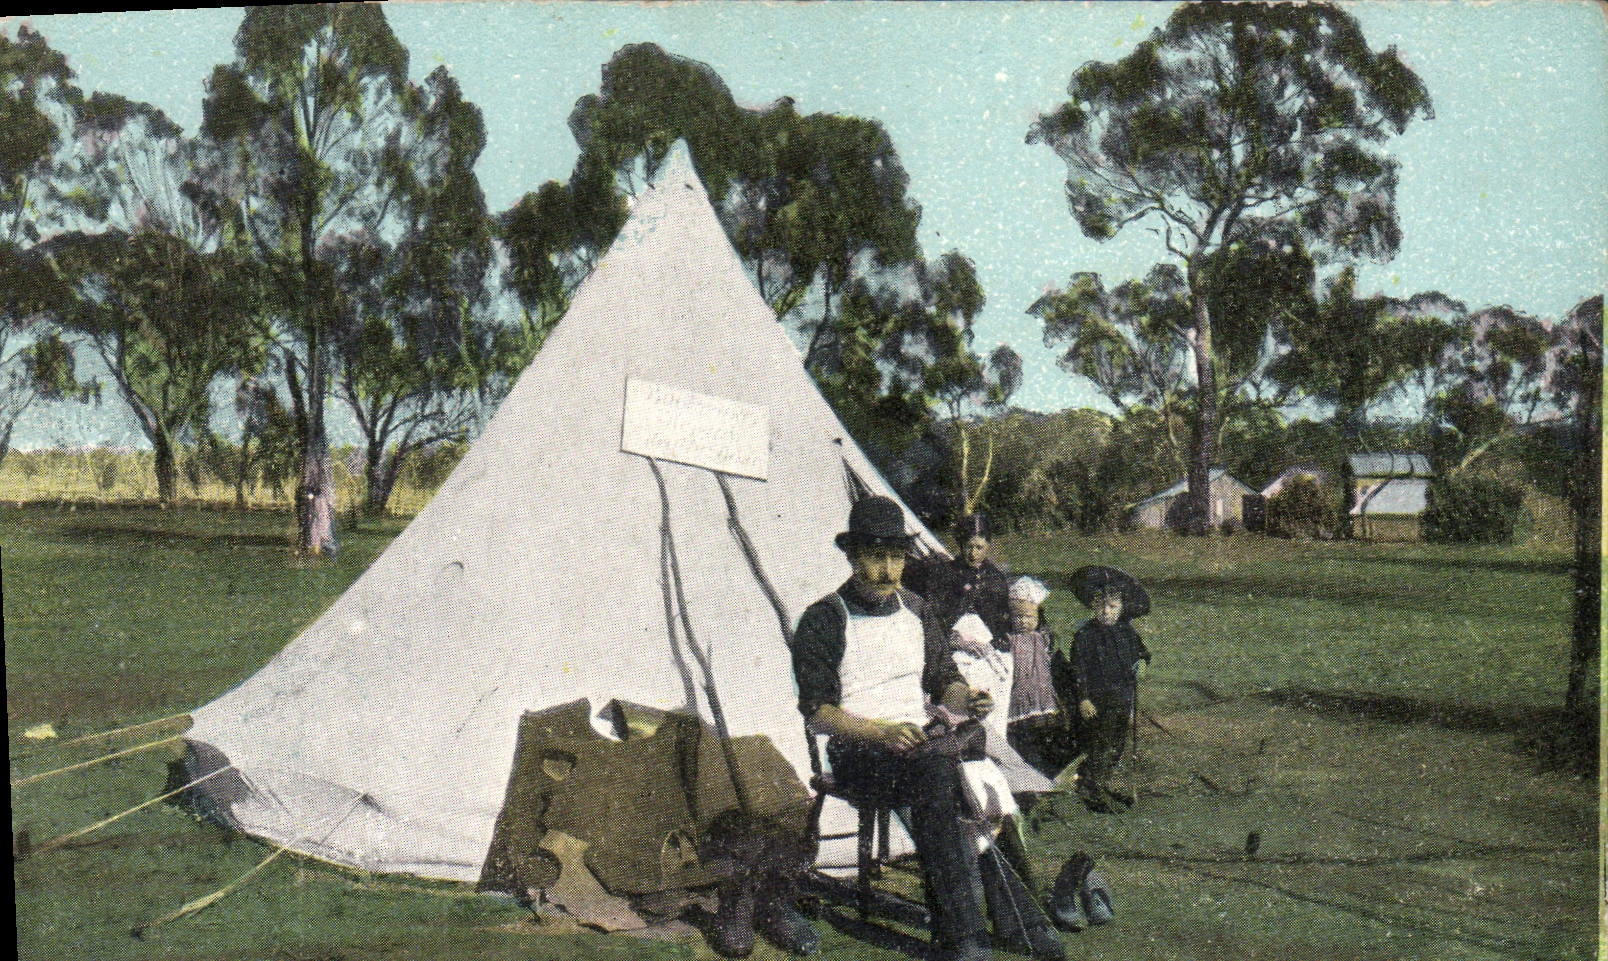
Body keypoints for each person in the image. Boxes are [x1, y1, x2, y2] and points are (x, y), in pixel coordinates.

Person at [792, 496, 1063, 961]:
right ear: (854, 556)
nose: (889, 569)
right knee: (942, 780)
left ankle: (1006, 922)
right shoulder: (825, 617)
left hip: (920, 746)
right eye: (877, 557)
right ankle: (977, 931)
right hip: (860, 750)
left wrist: (967, 700)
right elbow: (818, 712)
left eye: (896, 557)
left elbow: (944, 680)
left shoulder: (916, 609)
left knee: (979, 779)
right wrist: (881, 732)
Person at [1054, 566, 1151, 813]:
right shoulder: (1085, 636)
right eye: (1101, 606)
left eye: (1112, 607)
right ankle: (1091, 787)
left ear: (1122, 608)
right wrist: (1083, 698)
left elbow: (1142, 653)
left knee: (1117, 744)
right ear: (1092, 606)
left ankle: (1100, 783)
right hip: (1097, 701)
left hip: (1122, 698)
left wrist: (1142, 663)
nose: (1106, 612)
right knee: (1101, 743)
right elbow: (1078, 670)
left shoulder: (1127, 631)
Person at [999, 576, 1069, 778]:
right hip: (1020, 698)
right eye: (1018, 617)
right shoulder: (1009, 640)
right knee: (1022, 740)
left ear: (1038, 616)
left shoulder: (1043, 637)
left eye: (1029, 617)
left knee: (1044, 737)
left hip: (1042, 697)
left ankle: (1045, 774)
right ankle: (1027, 776)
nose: (1023, 621)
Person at [917, 514, 1012, 647]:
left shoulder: (995, 577)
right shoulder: (945, 574)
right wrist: (955, 640)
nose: (973, 554)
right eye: (969, 547)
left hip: (989, 645)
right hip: (951, 645)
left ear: (988, 546)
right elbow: (933, 616)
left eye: (979, 547)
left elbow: (1004, 618)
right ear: (961, 545)